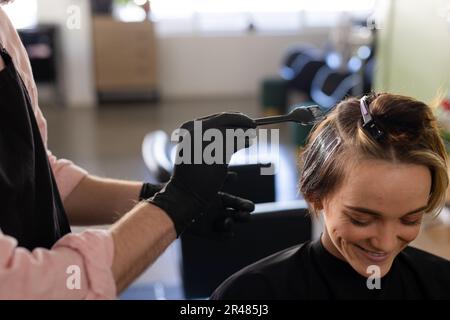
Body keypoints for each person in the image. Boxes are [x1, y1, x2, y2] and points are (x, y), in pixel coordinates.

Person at [0, 4, 256, 299]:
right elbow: (33, 286)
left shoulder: (4, 30)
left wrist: (154, 196)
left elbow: (37, 177)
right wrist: (175, 204)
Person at [211, 92, 450, 300]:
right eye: (361, 219)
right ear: (314, 194)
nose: (385, 243)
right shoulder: (249, 295)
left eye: (410, 220)